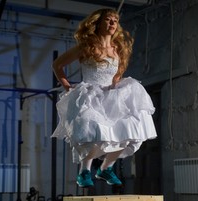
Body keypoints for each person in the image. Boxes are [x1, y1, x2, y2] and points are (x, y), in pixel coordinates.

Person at [51, 9, 157, 190]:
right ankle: (85, 171)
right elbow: (57, 65)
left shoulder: (117, 49)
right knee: (92, 132)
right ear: (97, 23)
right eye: (108, 20)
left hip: (111, 94)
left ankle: (106, 168)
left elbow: (116, 74)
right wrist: (67, 87)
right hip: (90, 94)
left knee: (130, 129)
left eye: (115, 20)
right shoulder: (87, 46)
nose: (112, 23)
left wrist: (117, 87)